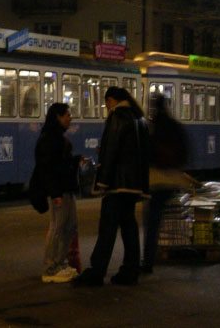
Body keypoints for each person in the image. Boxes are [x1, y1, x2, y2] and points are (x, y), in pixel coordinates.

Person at [74, 87, 150, 287]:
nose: (107, 107)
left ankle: (97, 271)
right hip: (132, 185)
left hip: (117, 184)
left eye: (106, 103)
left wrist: (103, 182)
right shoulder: (138, 117)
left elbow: (112, 151)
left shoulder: (117, 116)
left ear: (111, 100)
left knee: (107, 228)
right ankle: (130, 269)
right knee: (129, 227)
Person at [35, 102, 83, 283]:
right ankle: (50, 268)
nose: (70, 118)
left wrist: (76, 160)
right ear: (57, 117)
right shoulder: (50, 139)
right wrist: (55, 193)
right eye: (66, 115)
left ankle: (60, 263)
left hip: (67, 188)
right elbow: (49, 168)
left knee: (70, 226)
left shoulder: (58, 137)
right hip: (60, 190)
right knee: (57, 227)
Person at [141, 93, 190, 274]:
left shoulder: (153, 127)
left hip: (156, 180)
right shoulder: (175, 126)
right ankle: (181, 250)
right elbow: (186, 153)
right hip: (173, 180)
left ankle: (148, 261)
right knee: (173, 216)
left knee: (152, 222)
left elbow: (147, 154)